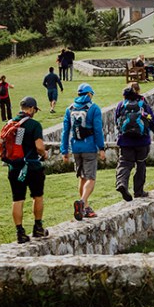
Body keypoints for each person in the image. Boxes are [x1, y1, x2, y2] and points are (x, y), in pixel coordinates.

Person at [5, 96, 49, 243]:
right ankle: (37, 227)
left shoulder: (10, 123)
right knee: (37, 196)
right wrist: (44, 154)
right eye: (35, 109)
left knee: (17, 199)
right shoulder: (34, 125)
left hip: (14, 167)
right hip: (31, 167)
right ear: (31, 109)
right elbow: (39, 147)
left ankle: (20, 232)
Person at [60, 82, 106, 221]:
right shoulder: (94, 108)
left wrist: (64, 151)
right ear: (89, 94)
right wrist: (101, 148)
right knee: (91, 178)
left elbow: (65, 131)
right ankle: (82, 202)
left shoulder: (69, 109)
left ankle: (85, 207)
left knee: (82, 177)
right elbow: (98, 130)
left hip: (75, 148)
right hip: (89, 147)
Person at [114, 85, 154, 201]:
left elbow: (117, 122)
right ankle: (139, 191)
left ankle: (122, 183)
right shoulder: (143, 105)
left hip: (125, 141)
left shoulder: (121, 105)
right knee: (140, 164)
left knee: (125, 163)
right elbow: (152, 121)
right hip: (142, 141)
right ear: (138, 92)